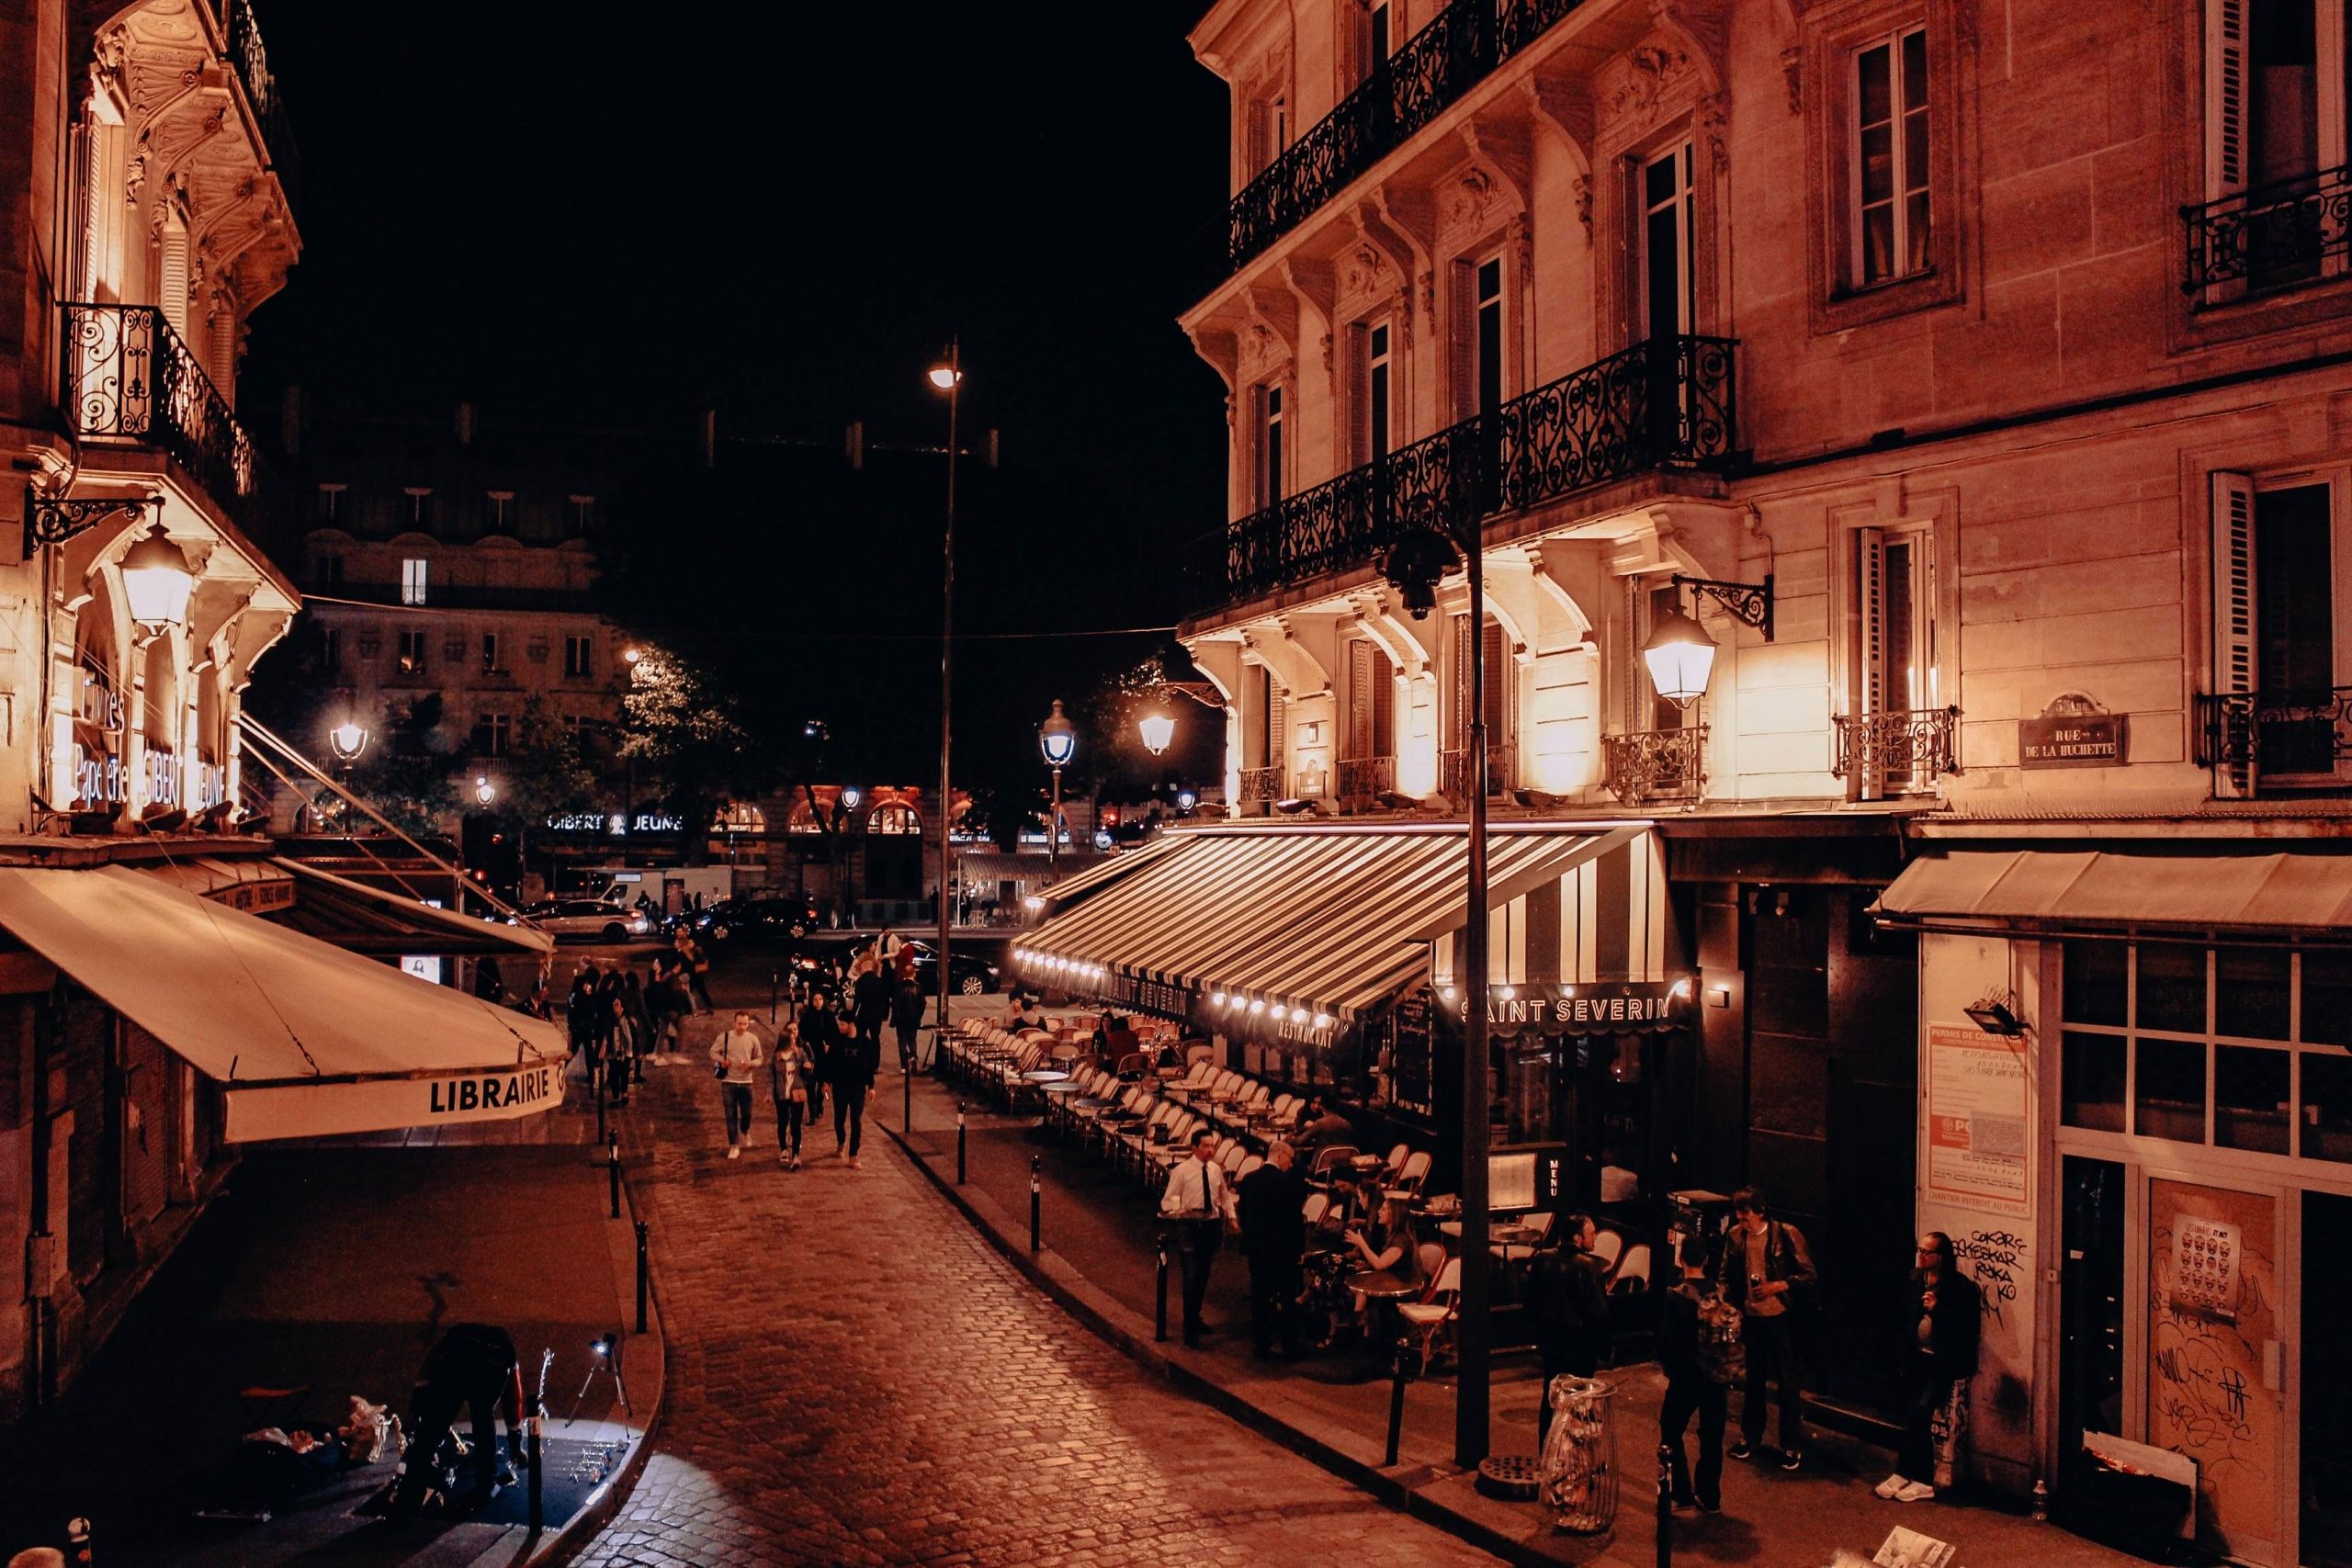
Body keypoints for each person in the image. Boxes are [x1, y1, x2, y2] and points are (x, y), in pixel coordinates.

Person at [1717, 1186, 1816, 1470]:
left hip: (1781, 1317)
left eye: (1745, 1213)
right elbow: (1725, 1272)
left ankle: (1791, 1444)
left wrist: (1778, 1285)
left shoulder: (1785, 1234)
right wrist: (1730, 1301)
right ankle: (1751, 1436)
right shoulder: (1736, 1236)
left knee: (1787, 1383)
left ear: (1760, 1211)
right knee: (1754, 1381)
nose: (1740, 1219)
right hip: (1751, 1316)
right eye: (1738, 1213)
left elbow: (1809, 1274)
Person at [1879, 1231, 1981, 1504]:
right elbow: (1902, 1320)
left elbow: (1965, 1332)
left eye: (1927, 1252)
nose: (1921, 1256)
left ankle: (1923, 1479)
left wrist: (1938, 1309)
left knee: (1921, 1412)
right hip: (1916, 1359)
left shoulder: (1961, 1289)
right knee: (1910, 1413)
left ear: (1941, 1257)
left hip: (1942, 1363)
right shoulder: (1914, 1280)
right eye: (1919, 1250)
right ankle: (1904, 1472)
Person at [390, 1322, 524, 1517]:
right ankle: (486, 1485)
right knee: (483, 1420)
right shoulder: (505, 1354)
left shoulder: (451, 1342)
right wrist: (515, 1444)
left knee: (433, 1425)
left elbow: (426, 1372)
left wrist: (416, 1410)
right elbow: (513, 1400)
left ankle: (409, 1495)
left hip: (458, 1361)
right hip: (488, 1366)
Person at [1660, 1235, 1732, 1515]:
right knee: (1712, 1436)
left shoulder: (1676, 1296)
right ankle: (1709, 1495)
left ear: (1681, 1260)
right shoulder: (1720, 1293)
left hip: (1686, 1377)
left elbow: (1667, 1343)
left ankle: (1680, 1492)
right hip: (1716, 1376)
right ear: (1706, 1260)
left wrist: (1671, 1369)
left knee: (1671, 1430)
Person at [1527, 1214, 1611, 1445]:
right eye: (1591, 1234)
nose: (1595, 1238)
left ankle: (1546, 1449)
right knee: (1579, 1403)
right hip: (1580, 1347)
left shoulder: (1542, 1260)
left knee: (1550, 1396)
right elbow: (1598, 1313)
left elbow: (1531, 1302)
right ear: (1578, 1238)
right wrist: (1605, 1349)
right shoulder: (1590, 1267)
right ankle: (1571, 1455)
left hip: (1551, 1343)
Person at [1158, 1128, 1237, 1346]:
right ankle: (1189, 1325)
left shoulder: (1214, 1170)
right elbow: (1167, 1200)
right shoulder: (1181, 1171)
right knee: (1191, 1275)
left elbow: (1224, 1196)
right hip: (1190, 1227)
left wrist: (1231, 1217)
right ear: (1194, 1148)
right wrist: (1179, 1210)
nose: (1210, 1150)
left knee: (1203, 1275)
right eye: (1205, 1146)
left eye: (1212, 1146)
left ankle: (1195, 1316)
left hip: (1210, 1225)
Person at [1236, 1140, 1307, 1358]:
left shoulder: (1248, 1181)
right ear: (1279, 1155)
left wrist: (1251, 1236)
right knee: (1287, 1297)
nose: (1291, 1164)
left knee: (1259, 1296)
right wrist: (1299, 1249)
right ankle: (1289, 1347)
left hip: (1257, 1249)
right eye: (1290, 1158)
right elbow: (1295, 1220)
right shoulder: (1287, 1184)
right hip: (1283, 1250)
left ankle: (1261, 1344)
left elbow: (1244, 1214)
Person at [827, 995, 877, 1168]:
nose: (839, 1027)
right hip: (840, 1086)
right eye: (838, 1024)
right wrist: (826, 1082)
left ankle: (853, 1154)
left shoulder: (865, 1043)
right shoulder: (837, 1041)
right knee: (839, 1120)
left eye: (842, 1024)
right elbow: (830, 1063)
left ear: (851, 1025)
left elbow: (869, 1066)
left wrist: (871, 1086)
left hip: (857, 1087)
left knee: (856, 1120)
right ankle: (841, 1142)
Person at [708, 1011, 765, 1161]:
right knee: (730, 1114)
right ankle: (734, 1145)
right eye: (739, 1023)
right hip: (729, 1082)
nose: (742, 1027)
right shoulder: (724, 1037)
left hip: (747, 1082)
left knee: (747, 1113)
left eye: (745, 1024)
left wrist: (751, 1064)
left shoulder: (752, 1039)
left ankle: (745, 1130)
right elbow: (713, 1052)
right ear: (734, 1023)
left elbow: (760, 1058)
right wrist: (722, 1060)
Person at [770, 1016, 815, 1169]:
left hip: (797, 1093)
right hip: (781, 1094)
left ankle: (796, 1155)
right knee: (783, 1122)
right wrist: (768, 1093)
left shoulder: (800, 1053)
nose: (793, 1042)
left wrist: (808, 1068)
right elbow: (771, 1076)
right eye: (790, 1040)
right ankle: (783, 1149)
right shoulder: (776, 1057)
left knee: (796, 1124)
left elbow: (808, 1075)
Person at [890, 964, 926, 1074]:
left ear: (904, 975)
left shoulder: (898, 987)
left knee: (902, 1041)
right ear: (914, 974)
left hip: (901, 1020)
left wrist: (895, 1017)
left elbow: (894, 1004)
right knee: (912, 1039)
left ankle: (904, 1066)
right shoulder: (918, 987)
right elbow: (922, 1004)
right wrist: (918, 1016)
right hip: (913, 1019)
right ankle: (913, 1056)